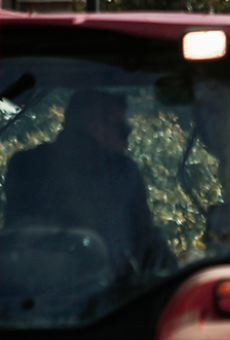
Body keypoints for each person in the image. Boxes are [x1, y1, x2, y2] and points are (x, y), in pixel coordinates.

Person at [4, 89, 172, 276]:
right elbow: (146, 241)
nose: (126, 142)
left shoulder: (25, 164)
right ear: (95, 127)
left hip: (30, 293)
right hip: (109, 295)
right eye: (123, 131)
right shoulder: (121, 172)